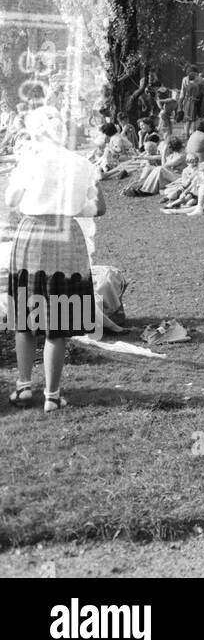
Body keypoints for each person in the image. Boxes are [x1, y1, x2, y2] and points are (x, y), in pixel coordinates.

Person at [6, 107, 106, 412]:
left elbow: (11, 201)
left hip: (32, 236)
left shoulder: (31, 160)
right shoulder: (83, 164)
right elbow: (98, 208)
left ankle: (24, 387)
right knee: (57, 324)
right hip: (67, 237)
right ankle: (52, 395)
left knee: (25, 317)